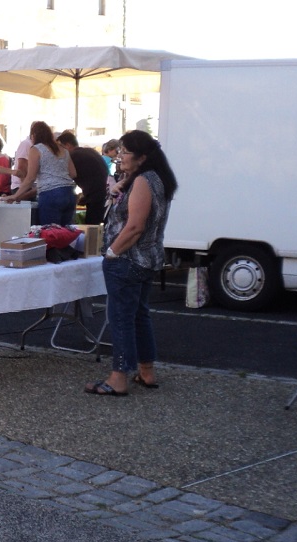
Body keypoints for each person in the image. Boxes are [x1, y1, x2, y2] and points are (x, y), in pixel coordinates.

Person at [85, 130, 178, 397]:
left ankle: (118, 378)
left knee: (121, 318)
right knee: (139, 316)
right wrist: (120, 185)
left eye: (125, 151)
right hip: (147, 259)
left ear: (142, 157)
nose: (119, 155)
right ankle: (146, 371)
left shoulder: (143, 182)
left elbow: (135, 226)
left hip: (127, 259)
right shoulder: (155, 178)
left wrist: (112, 252)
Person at [8, 121, 77, 226]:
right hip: (69, 193)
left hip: (50, 195)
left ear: (34, 135)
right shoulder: (63, 149)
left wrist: (16, 195)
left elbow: (30, 178)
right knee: (66, 234)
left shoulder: (36, 149)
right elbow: (73, 174)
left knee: (51, 233)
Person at [57, 130, 110, 225]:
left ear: (68, 145)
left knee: (92, 228)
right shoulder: (89, 151)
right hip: (104, 194)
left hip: (96, 197)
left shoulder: (73, 156)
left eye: (60, 147)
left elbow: (63, 178)